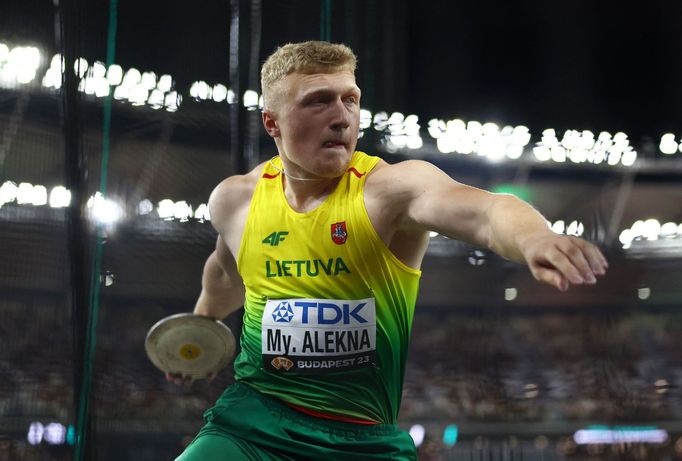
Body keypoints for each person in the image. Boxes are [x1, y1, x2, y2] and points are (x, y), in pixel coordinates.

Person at [171, 41, 608, 460]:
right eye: (319, 101)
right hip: (252, 425)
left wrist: (534, 237)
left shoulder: (389, 191)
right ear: (273, 123)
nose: (342, 117)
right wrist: (201, 328)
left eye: (350, 99)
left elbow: (486, 211)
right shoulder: (236, 200)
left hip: (361, 439)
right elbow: (228, 274)